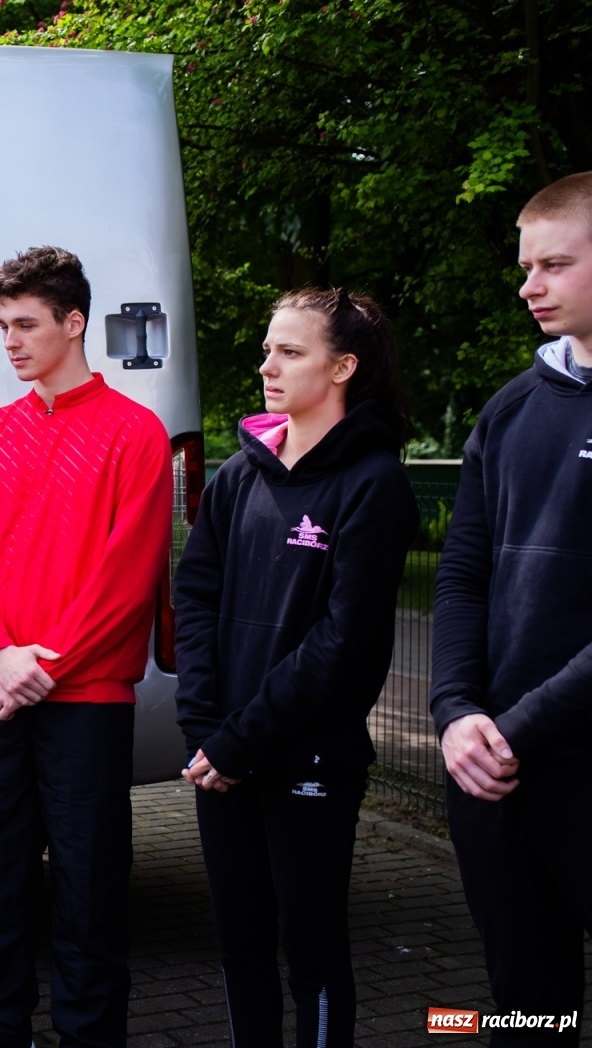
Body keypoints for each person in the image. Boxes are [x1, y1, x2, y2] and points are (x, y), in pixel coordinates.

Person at [0, 246, 170, 1048]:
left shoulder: (135, 435)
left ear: (74, 324)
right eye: (1, 324)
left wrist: (41, 664)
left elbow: (128, 574)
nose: (9, 340)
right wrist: (0, 655)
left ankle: (89, 1033)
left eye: (26, 323)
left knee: (89, 881)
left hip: (84, 700)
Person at [174, 289, 418, 1047]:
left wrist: (241, 741)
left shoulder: (374, 484)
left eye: (290, 351)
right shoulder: (238, 476)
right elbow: (196, 595)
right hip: (222, 757)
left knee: (310, 950)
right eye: (267, 348)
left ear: (342, 367)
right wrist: (206, 729)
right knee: (240, 946)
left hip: (306, 757)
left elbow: (341, 640)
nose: (266, 365)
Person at [430, 171, 592, 1042]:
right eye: (526, 266)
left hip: (550, 754)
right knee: (531, 1012)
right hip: (493, 773)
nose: (528, 286)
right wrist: (456, 714)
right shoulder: (509, 409)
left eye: (554, 265)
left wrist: (510, 729)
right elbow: (460, 576)